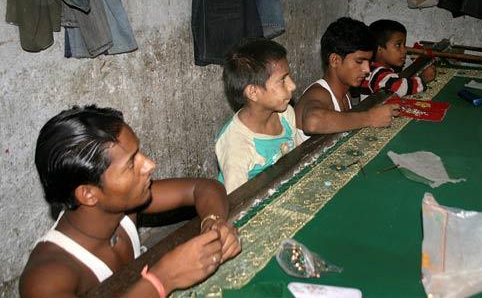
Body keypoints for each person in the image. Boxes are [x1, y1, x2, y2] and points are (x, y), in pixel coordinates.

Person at [20, 105, 241, 297]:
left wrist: (214, 222)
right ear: (88, 194)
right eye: (130, 163)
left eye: (139, 153)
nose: (150, 165)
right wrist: (164, 277)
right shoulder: (45, 278)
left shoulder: (124, 208)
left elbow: (202, 188)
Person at [216, 38, 300, 194]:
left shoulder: (286, 114)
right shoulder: (236, 145)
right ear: (253, 92)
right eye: (282, 80)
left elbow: (298, 160)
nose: (292, 85)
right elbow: (237, 203)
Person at [295, 17, 399, 142]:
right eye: (359, 61)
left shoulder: (345, 93)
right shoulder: (319, 93)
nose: (367, 69)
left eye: (369, 62)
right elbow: (313, 121)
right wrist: (370, 117)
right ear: (335, 60)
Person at [362, 19, 436, 97]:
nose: (404, 50)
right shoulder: (377, 73)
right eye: (398, 45)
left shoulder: (378, 67)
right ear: (379, 48)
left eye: (404, 45)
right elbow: (399, 88)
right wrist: (422, 79)